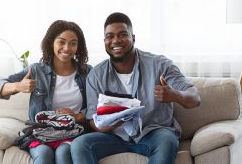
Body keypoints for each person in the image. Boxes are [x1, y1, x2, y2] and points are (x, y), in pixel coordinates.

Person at [71, 12, 201, 164]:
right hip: (115, 137)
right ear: (105, 41)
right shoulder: (96, 75)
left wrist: (175, 95)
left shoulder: (160, 65)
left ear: (133, 37)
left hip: (154, 134)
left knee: (167, 140)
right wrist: (116, 119)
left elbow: (195, 98)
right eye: (110, 36)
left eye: (123, 35)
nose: (116, 41)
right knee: (80, 144)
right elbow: (93, 121)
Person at [0, 20, 92, 164]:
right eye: (61, 42)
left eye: (73, 43)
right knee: (44, 155)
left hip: (72, 131)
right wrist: (18, 86)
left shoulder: (87, 72)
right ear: (52, 43)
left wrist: (79, 115)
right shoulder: (37, 70)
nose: (67, 48)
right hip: (40, 133)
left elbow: (96, 104)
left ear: (78, 47)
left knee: (63, 153)